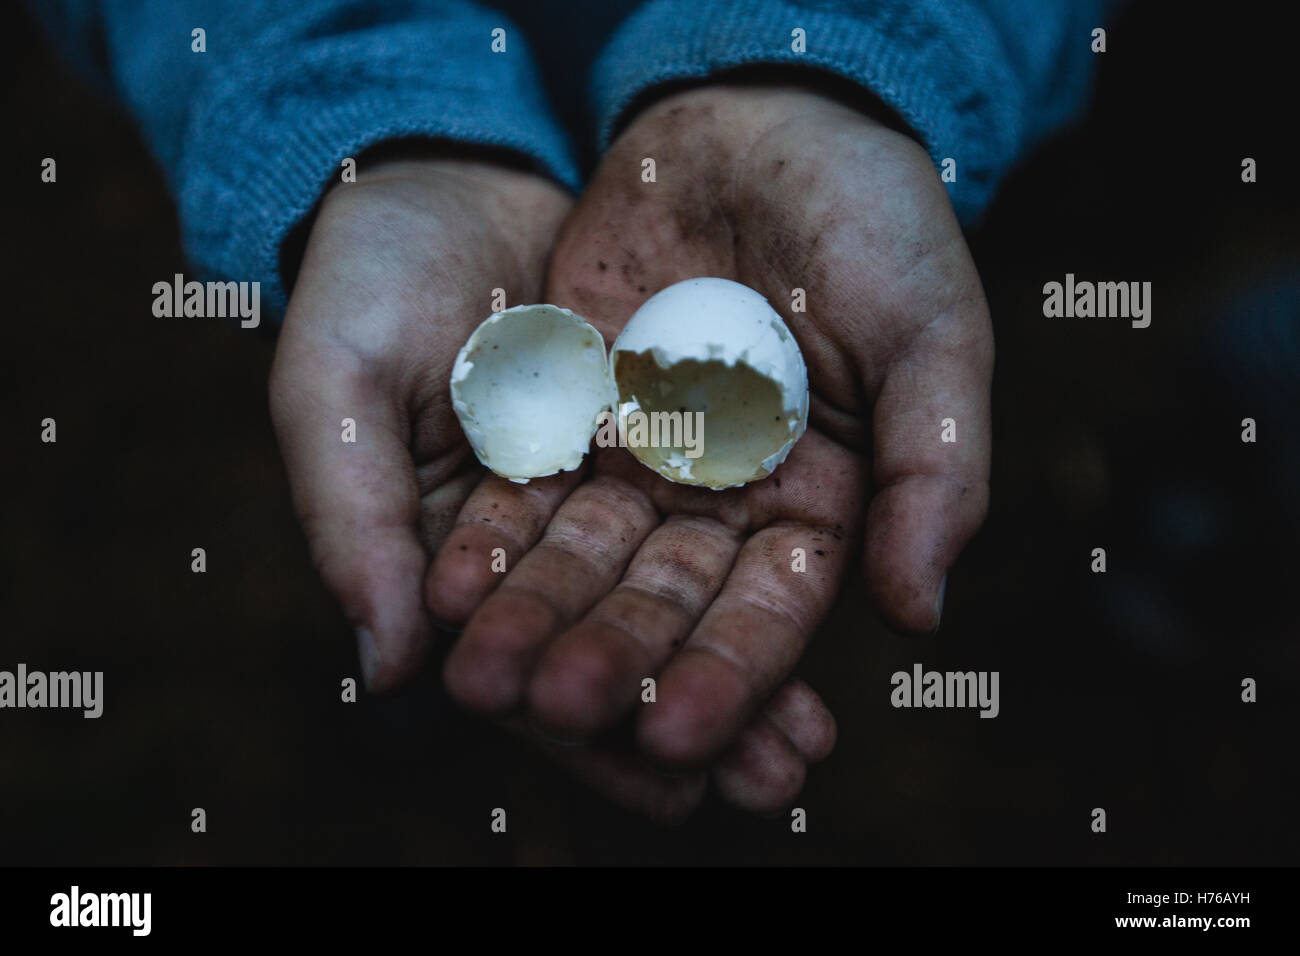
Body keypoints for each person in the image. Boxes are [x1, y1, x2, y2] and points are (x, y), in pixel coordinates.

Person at [36, 0, 1119, 819]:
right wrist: (350, 115)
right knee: (404, 469)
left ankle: (437, 675)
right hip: (414, 180)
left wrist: (848, 57)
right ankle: (423, 672)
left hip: (875, 111)